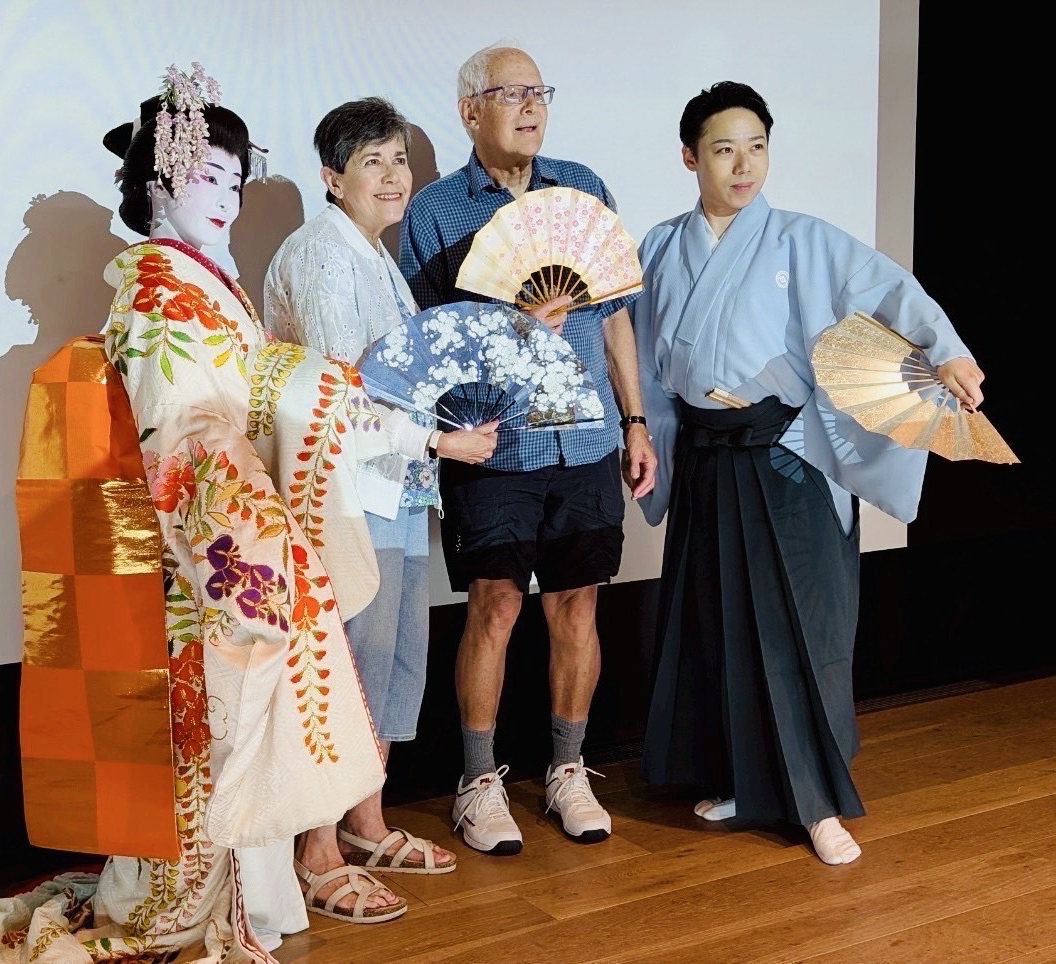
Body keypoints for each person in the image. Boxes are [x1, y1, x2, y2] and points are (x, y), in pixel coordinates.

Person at [0, 67, 400, 963]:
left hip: (222, 542)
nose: (228, 202)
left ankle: (248, 906)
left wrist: (311, 391)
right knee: (206, 747)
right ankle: (184, 911)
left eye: (236, 183)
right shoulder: (163, 293)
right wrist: (247, 551)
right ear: (159, 181)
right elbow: (187, 435)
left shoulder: (198, 285)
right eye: (208, 178)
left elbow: (246, 394)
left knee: (233, 743)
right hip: (206, 554)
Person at [631, 81, 986, 866]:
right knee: (715, 624)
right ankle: (743, 782)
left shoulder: (800, 239)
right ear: (690, 157)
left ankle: (817, 801)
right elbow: (641, 358)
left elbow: (892, 290)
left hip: (783, 454)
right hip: (704, 455)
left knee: (801, 627)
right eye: (724, 148)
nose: (743, 164)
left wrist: (948, 350)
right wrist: (639, 433)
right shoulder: (657, 246)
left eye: (756, 146)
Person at [399, 44, 658, 855]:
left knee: (576, 603)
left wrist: (635, 421)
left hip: (582, 438)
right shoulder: (436, 212)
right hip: (493, 443)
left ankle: (568, 771)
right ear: (469, 110)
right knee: (495, 606)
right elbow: (425, 343)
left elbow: (613, 315)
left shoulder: (583, 188)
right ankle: (478, 781)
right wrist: (509, 329)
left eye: (538, 91)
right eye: (508, 93)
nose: (529, 106)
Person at [262, 97, 498, 914]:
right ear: (331, 177)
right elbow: (336, 396)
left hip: (391, 490)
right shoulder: (323, 257)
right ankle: (318, 850)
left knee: (395, 661)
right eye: (373, 162)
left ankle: (366, 819)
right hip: (342, 495)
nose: (394, 177)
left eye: (399, 160)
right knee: (345, 669)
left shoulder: (374, 254)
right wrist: (440, 444)